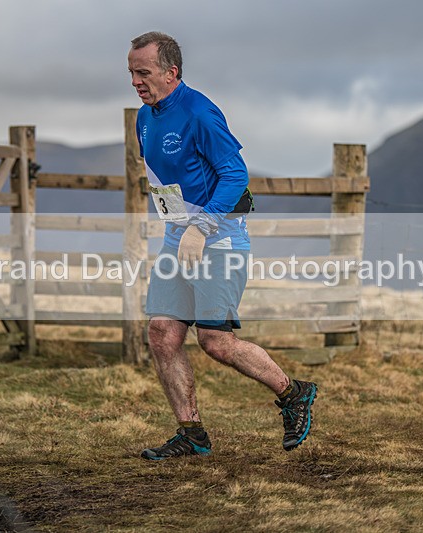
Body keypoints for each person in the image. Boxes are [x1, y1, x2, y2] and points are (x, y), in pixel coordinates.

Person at [128, 31, 317, 460]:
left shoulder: (200, 111)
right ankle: (191, 433)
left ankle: (294, 393)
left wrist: (202, 226)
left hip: (219, 235)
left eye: (144, 72)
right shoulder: (144, 116)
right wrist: (180, 225)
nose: (136, 81)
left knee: (215, 341)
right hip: (179, 236)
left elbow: (235, 175)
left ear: (171, 72)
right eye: (131, 73)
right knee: (162, 333)